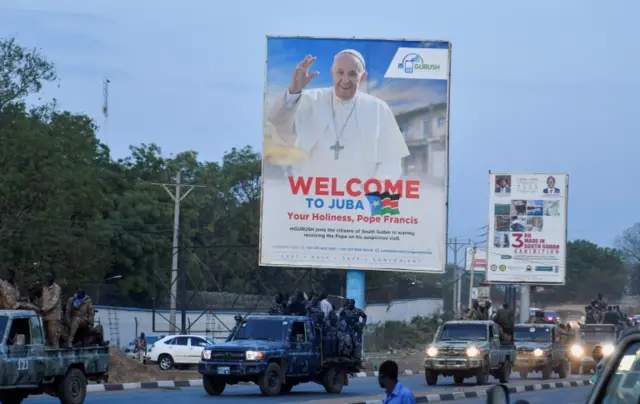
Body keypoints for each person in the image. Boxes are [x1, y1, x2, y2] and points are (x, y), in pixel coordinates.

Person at [267, 50, 410, 179]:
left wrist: (375, 193)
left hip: (361, 199)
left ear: (363, 76)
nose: (345, 80)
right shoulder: (308, 99)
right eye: (340, 72)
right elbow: (277, 122)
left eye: (352, 74)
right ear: (332, 72)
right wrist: (293, 90)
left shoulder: (379, 108)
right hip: (310, 198)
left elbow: (391, 160)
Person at [41, 271, 62, 348]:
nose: (46, 279)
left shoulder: (56, 288)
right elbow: (43, 301)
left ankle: (56, 354)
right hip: (45, 316)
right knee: (45, 338)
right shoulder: (45, 288)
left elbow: (54, 301)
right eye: (46, 277)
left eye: (48, 277)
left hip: (54, 317)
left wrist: (43, 309)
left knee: (54, 337)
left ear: (52, 279)